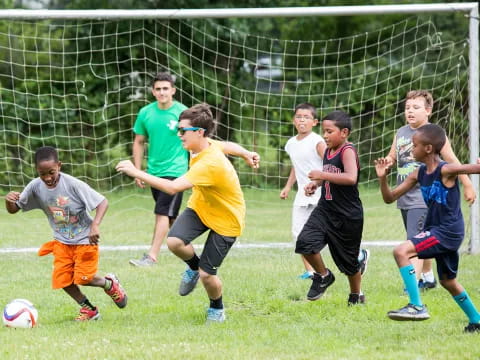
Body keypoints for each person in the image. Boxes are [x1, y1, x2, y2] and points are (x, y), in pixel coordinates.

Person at [116, 103, 260, 323]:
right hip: (201, 207)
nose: (179, 135)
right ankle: (193, 267)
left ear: (200, 132)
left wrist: (136, 172)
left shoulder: (210, 162)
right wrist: (246, 153)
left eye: (183, 131)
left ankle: (216, 308)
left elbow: (173, 188)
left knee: (207, 275)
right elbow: (227, 145)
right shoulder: (203, 145)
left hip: (227, 220)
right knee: (174, 241)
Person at [375, 123, 480, 333]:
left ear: (428, 149)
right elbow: (389, 198)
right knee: (448, 282)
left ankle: (416, 306)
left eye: (414, 146)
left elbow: (473, 168)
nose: (410, 150)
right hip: (438, 229)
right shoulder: (418, 174)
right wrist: (383, 178)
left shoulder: (446, 170)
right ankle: (477, 320)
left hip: (447, 231)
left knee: (401, 251)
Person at [5, 146, 127, 321]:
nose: (47, 177)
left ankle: (110, 284)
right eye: (42, 174)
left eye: (51, 172)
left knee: (84, 278)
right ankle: (89, 310)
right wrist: (9, 201)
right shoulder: (35, 187)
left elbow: (103, 202)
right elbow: (14, 209)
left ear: (59, 166)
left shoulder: (72, 184)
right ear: (37, 171)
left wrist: (95, 225)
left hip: (86, 238)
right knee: (62, 280)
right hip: (62, 242)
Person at [384, 90, 476, 290]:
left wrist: (468, 185)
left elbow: (452, 161)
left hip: (423, 197)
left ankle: (412, 287)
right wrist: (388, 162)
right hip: (404, 195)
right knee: (421, 236)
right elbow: (392, 155)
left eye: (415, 107)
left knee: (412, 241)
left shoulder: (432, 135)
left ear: (428, 111)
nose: (410, 111)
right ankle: (428, 276)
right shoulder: (400, 132)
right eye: (407, 107)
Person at [295, 110, 366, 305]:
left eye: (329, 131)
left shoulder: (347, 150)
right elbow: (329, 176)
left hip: (347, 215)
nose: (325, 135)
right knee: (305, 243)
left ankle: (356, 295)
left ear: (344, 132)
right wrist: (316, 183)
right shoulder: (328, 151)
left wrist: (322, 175)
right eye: (323, 131)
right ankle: (324, 275)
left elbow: (350, 178)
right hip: (325, 210)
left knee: (348, 262)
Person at [129, 72, 188, 267]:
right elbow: (138, 141)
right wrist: (138, 170)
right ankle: (191, 252)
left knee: (161, 212)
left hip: (176, 171)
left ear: (173, 90)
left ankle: (151, 257)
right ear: (153, 92)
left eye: (165, 88)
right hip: (154, 171)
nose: (162, 92)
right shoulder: (146, 113)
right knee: (170, 217)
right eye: (158, 89)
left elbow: (195, 141)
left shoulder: (183, 113)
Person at [280, 103, 326, 279]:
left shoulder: (317, 142)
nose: (302, 120)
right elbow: (296, 166)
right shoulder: (291, 144)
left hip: (320, 194)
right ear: (294, 120)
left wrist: (319, 181)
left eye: (306, 117)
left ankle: (358, 256)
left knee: (326, 235)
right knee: (298, 234)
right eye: (299, 116)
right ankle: (311, 271)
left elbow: (329, 163)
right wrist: (288, 186)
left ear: (314, 122)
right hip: (301, 196)